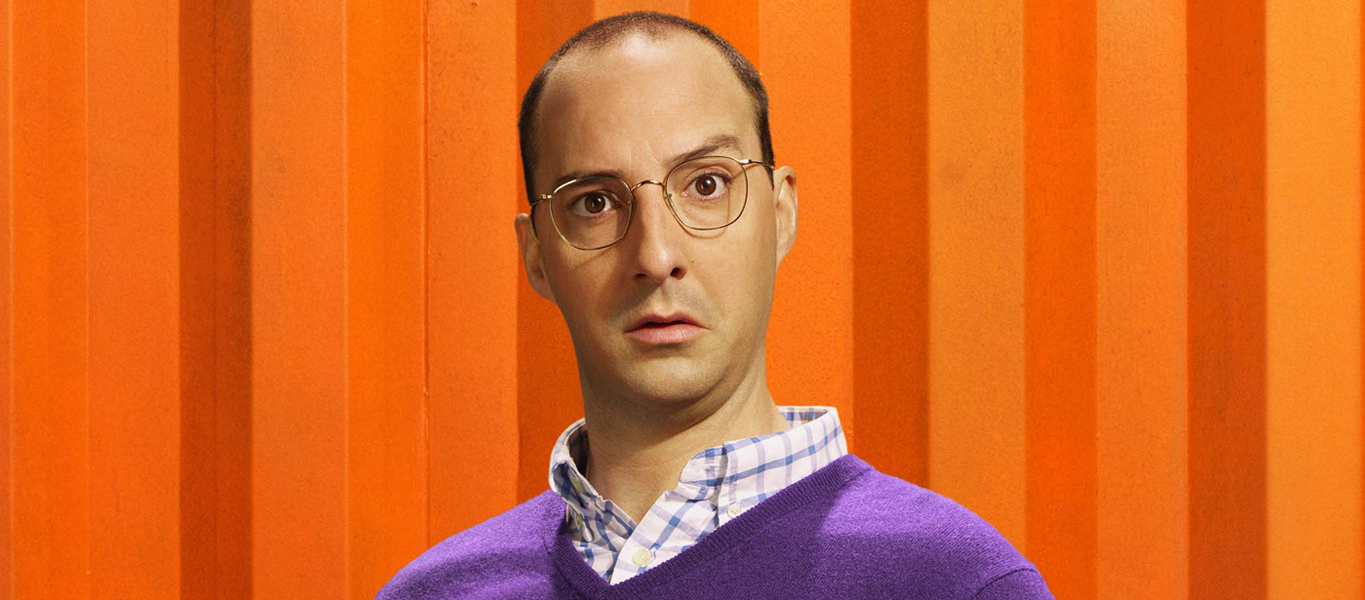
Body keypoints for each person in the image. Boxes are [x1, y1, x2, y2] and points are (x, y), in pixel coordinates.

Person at [377, 11, 1051, 599]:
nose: (655, 254)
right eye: (595, 202)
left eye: (706, 184)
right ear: (536, 257)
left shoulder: (955, 582)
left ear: (780, 215)